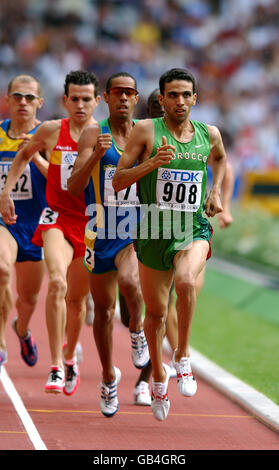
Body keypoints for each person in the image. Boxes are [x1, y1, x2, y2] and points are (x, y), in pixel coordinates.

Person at [112, 68, 227, 421]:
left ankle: (183, 355)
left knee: (187, 281)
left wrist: (216, 189)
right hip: (153, 232)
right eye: (172, 95)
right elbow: (118, 180)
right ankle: (159, 375)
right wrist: (152, 164)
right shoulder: (147, 130)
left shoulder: (209, 134)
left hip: (191, 227)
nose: (179, 101)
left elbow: (220, 159)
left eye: (185, 95)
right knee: (156, 314)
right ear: (161, 99)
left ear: (195, 98)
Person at [0, 70, 100, 396]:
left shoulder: (107, 136)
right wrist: (5, 192)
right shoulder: (51, 130)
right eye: (75, 99)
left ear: (97, 101)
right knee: (54, 282)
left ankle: (59, 349)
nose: (81, 105)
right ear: (64, 101)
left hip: (88, 221)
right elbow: (22, 157)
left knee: (71, 300)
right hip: (50, 218)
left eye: (87, 99)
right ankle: (55, 365)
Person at [68, 72, 150, 417]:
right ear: (106, 97)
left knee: (131, 282)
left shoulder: (145, 133)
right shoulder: (93, 133)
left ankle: (137, 334)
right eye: (117, 91)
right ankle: (108, 378)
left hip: (135, 227)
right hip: (100, 230)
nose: (123, 97)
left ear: (135, 98)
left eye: (129, 92)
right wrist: (93, 158)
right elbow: (74, 186)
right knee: (101, 312)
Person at [0, 74, 48, 373]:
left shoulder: (50, 136)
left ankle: (22, 329)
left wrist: (33, 155)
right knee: (2, 270)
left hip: (37, 224)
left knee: (28, 298)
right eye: (17, 96)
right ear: (7, 100)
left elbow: (63, 182)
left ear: (39, 103)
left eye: (29, 97)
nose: (23, 102)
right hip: (4, 221)